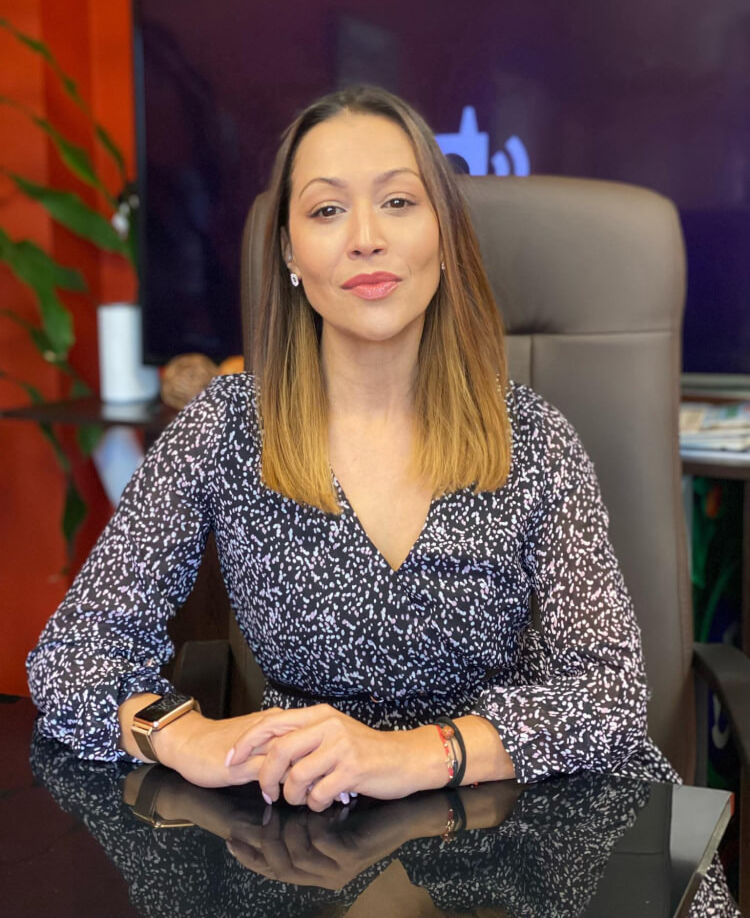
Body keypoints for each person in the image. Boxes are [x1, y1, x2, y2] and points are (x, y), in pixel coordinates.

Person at [27, 86, 737, 915]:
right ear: (290, 251)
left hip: (536, 832)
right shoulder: (225, 429)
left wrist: (409, 755)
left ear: (444, 234)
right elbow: (72, 655)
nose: (365, 236)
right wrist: (189, 738)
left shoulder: (533, 437)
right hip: (317, 837)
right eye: (327, 210)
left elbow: (609, 693)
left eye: (398, 202)